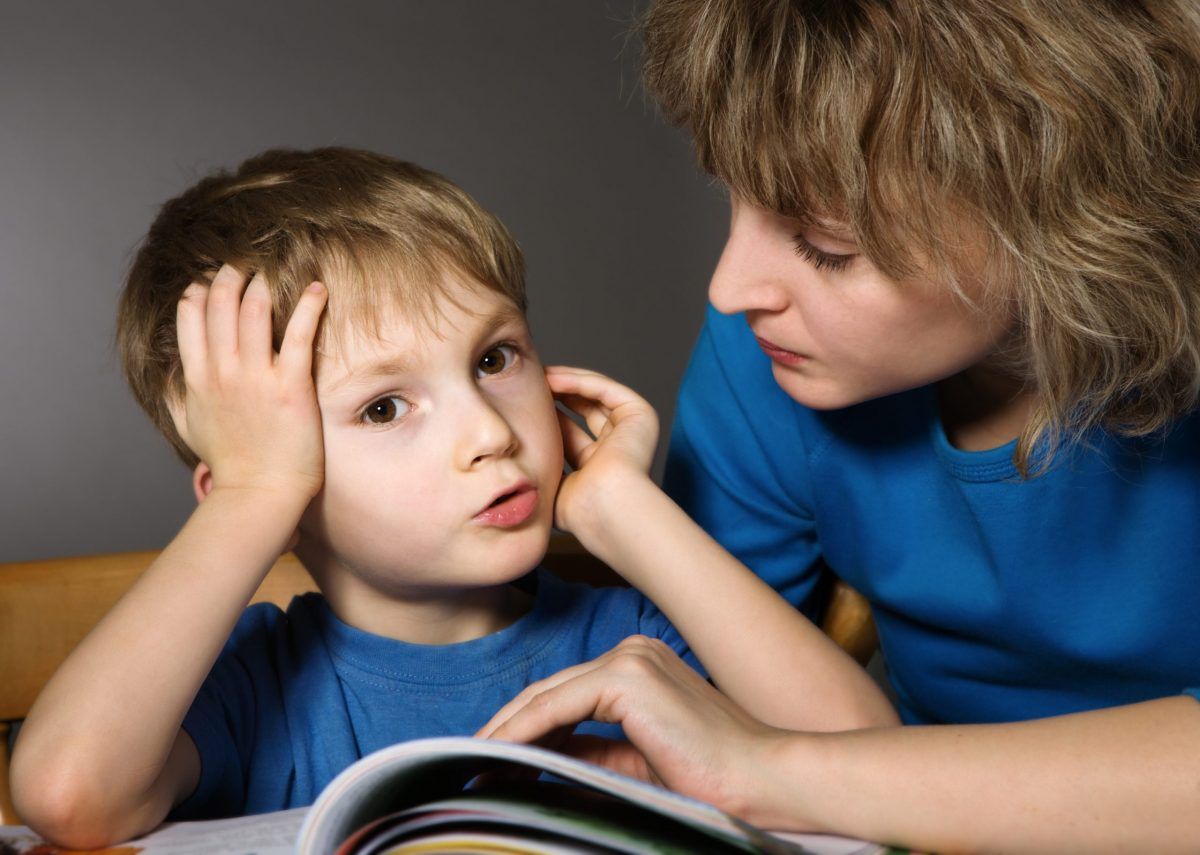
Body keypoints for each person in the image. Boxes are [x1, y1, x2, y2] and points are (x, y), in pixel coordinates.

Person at [9, 147, 893, 848]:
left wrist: (623, 508)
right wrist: (252, 494)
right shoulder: (250, 686)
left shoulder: (635, 644)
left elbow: (871, 766)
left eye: (494, 358)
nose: (490, 431)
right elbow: (67, 795)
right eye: (385, 406)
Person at [480, 1, 1200, 851]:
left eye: (825, 244)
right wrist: (616, 513)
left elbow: (758, 758)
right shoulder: (767, 360)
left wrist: (772, 773)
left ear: (1066, 219)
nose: (729, 288)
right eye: (733, 200)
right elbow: (710, 695)